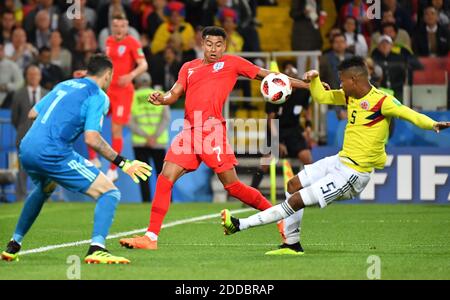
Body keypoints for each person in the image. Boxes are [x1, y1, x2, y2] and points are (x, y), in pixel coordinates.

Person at [220, 56, 450, 255]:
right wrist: (315, 78)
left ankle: (240, 225)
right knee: (293, 185)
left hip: (354, 173)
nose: (340, 84)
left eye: (342, 80)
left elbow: (409, 113)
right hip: (339, 160)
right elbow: (322, 97)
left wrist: (433, 124)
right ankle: (292, 244)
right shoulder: (349, 96)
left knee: (297, 200)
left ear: (354, 80)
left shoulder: (382, 101)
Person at [118, 26, 311, 251]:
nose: (214, 49)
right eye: (209, 44)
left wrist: (306, 85)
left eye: (218, 45)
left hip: (212, 132)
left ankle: (280, 218)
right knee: (165, 178)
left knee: (233, 186)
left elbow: (270, 75)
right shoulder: (188, 67)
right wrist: (162, 98)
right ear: (202, 44)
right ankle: (151, 237)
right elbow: (174, 93)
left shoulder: (232, 63)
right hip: (189, 131)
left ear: (224, 46)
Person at [1, 54, 152, 264]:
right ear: (108, 75)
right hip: (52, 151)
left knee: (45, 187)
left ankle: (13, 244)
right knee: (109, 192)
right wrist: (123, 163)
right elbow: (92, 138)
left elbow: (33, 113)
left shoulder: (65, 85)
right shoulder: (97, 96)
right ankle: (97, 248)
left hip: (26, 147)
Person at [87, 14, 148, 181]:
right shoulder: (108, 41)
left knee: (116, 129)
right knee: (91, 121)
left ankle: (113, 169)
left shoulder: (133, 43)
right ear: (112, 28)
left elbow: (144, 64)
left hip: (123, 92)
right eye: (116, 26)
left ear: (126, 28)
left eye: (122, 26)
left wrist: (130, 75)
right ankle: (94, 159)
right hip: (107, 90)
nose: (118, 29)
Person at [130, 72, 170, 202]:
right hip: (158, 142)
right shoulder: (160, 95)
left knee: (143, 176)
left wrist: (146, 137)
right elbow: (166, 118)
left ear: (137, 83)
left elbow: (130, 121)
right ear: (149, 82)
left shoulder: (132, 96)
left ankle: (146, 202)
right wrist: (154, 136)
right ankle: (166, 201)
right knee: (162, 175)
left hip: (140, 142)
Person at [11, 64, 48, 202]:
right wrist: (23, 129)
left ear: (40, 76)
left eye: (36, 74)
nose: (33, 77)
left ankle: (44, 196)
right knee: (22, 169)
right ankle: (20, 197)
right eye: (30, 74)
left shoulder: (46, 94)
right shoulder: (18, 94)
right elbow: (14, 118)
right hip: (23, 137)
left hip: (43, 139)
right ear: (26, 76)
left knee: (45, 168)